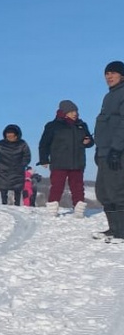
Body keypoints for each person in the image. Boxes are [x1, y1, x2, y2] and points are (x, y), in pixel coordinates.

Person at [37, 99, 94, 217]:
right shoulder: (53, 126)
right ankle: (52, 211)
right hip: (59, 162)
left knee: (78, 187)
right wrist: (44, 159)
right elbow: (44, 144)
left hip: (77, 162)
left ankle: (79, 211)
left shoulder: (81, 125)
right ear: (64, 112)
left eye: (76, 111)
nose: (75, 114)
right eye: (72, 111)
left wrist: (88, 142)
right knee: (57, 186)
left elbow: (90, 141)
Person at [93, 61, 124, 242]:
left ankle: (122, 232)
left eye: (113, 73)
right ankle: (114, 229)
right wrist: (98, 148)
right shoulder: (108, 96)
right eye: (107, 73)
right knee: (103, 192)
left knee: (118, 191)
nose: (109, 76)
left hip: (118, 152)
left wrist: (117, 148)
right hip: (104, 151)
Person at [0, 124, 31, 206]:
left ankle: (17, 204)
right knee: (3, 187)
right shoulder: (1, 144)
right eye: (8, 135)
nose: (9, 137)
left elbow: (27, 155)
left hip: (17, 169)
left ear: (16, 135)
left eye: (11, 135)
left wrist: (23, 164)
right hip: (3, 169)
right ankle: (4, 203)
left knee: (17, 188)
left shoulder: (22, 144)